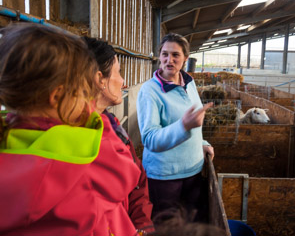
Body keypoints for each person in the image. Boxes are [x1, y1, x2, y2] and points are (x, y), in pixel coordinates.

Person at [0, 23, 141, 236]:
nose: (87, 99)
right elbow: (126, 174)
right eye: (82, 90)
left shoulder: (8, 137)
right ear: (57, 96)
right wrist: (97, 122)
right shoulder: (81, 160)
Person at [136, 33, 214, 221]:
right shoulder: (150, 91)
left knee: (190, 222)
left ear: (185, 58)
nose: (168, 60)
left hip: (193, 169)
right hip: (165, 176)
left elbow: (194, 119)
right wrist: (183, 127)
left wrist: (201, 142)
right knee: (165, 225)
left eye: (175, 55)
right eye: (164, 54)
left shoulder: (189, 83)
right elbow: (150, 138)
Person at [84, 36, 155, 235]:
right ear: (100, 79)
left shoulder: (115, 128)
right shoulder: (78, 138)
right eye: (118, 72)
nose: (123, 82)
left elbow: (137, 182)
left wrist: (143, 226)